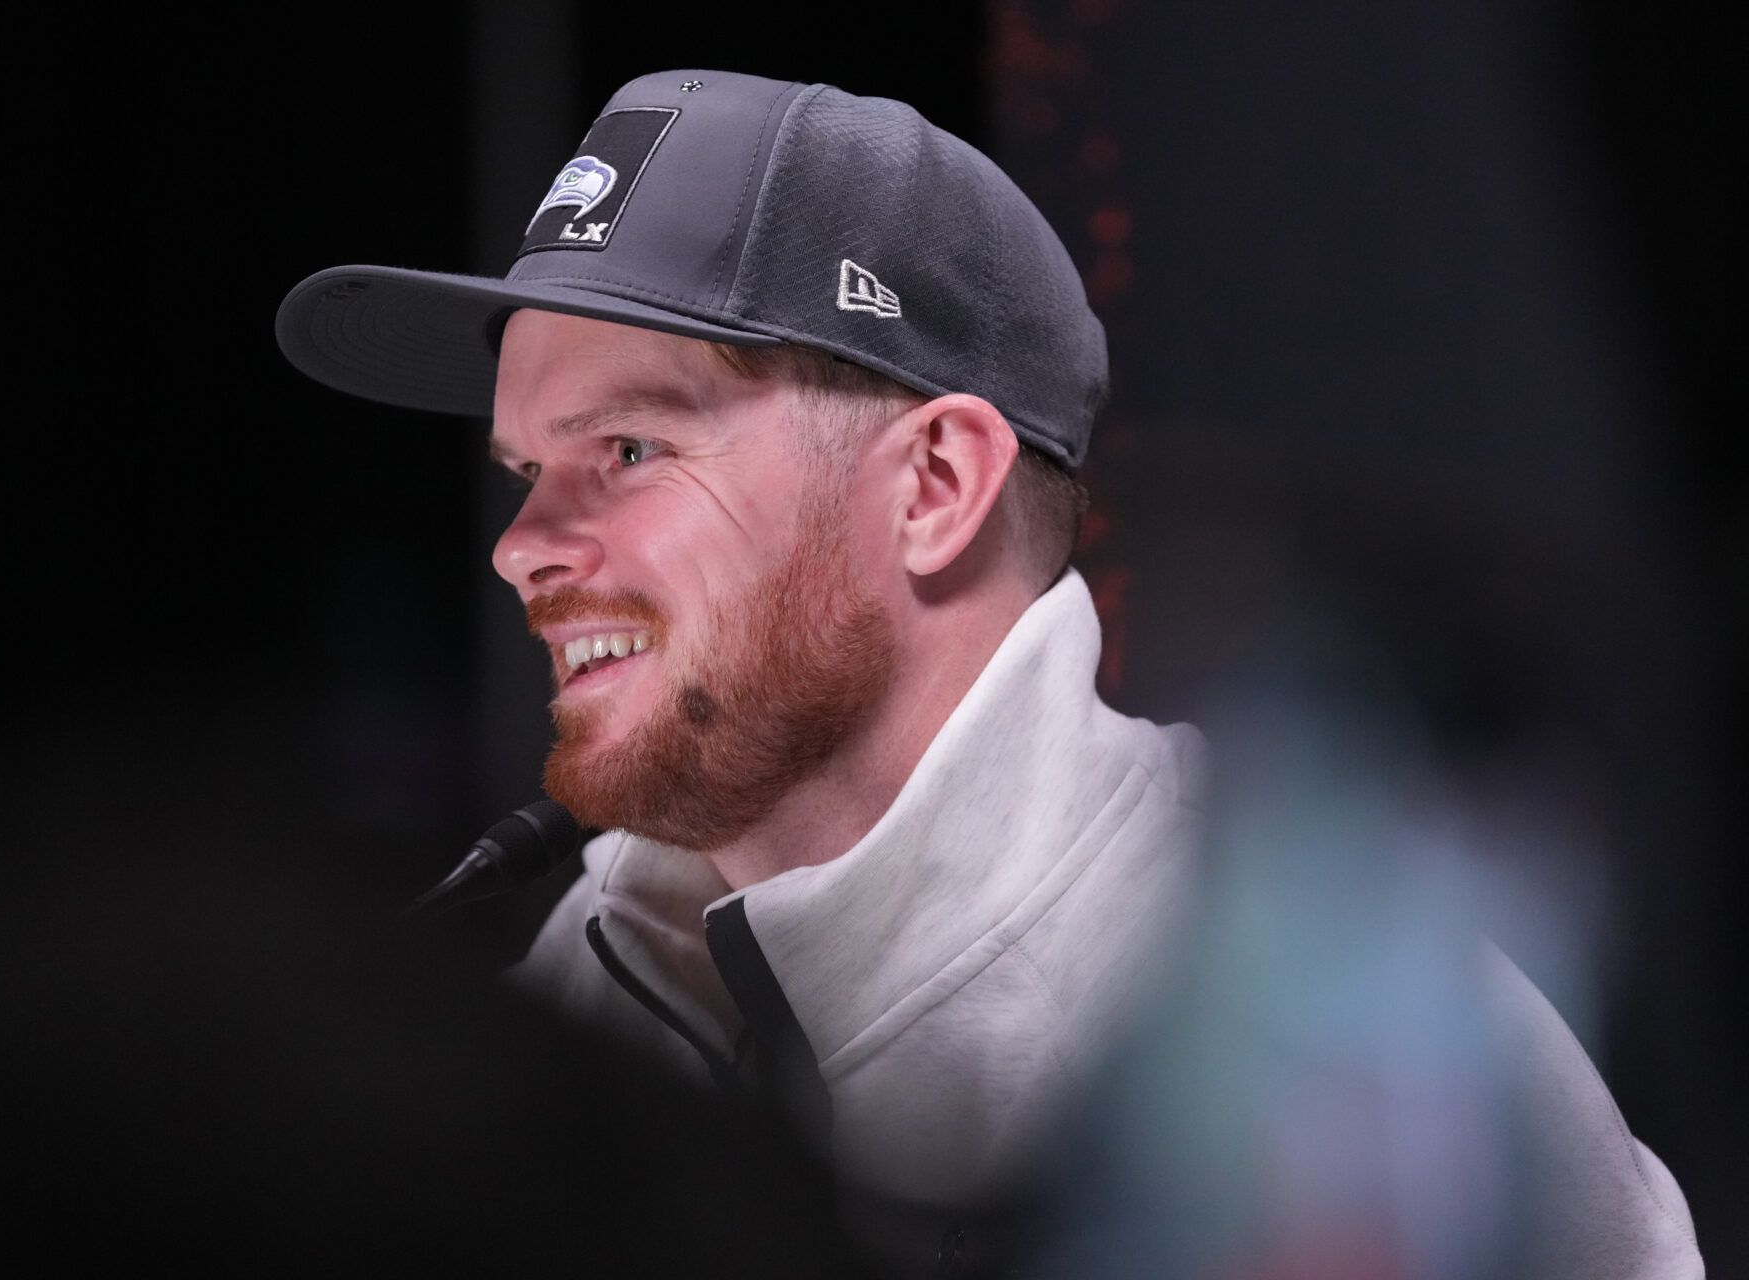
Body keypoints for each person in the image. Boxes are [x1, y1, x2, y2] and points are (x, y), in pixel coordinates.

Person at [276, 69, 1701, 1277]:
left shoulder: (1319, 1028)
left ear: (937, 484)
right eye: (529, 472)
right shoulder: (557, 992)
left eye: (630, 450)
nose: (522, 548)